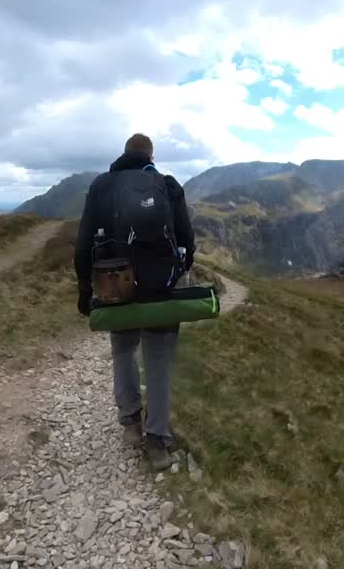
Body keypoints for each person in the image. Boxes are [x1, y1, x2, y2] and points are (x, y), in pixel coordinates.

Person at [74, 133, 195, 470]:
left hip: (117, 286)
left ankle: (130, 423)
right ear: (151, 156)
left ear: (124, 154)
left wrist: (85, 288)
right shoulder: (168, 185)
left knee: (123, 351)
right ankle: (157, 442)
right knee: (158, 364)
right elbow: (187, 240)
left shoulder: (102, 186)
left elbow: (83, 243)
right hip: (161, 288)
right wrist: (174, 274)